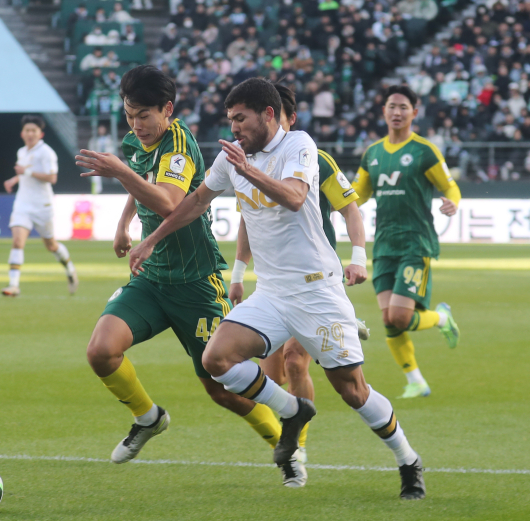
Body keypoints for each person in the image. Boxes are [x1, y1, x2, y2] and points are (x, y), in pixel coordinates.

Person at [128, 78, 426, 500]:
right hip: (271, 292)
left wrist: (246, 169)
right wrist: (150, 240)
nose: (234, 129)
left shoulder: (298, 145)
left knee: (352, 389)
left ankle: (408, 460)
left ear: (268, 114)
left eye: (241, 119)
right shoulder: (232, 158)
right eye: (230, 120)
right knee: (217, 358)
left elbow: (293, 196)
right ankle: (293, 410)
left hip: (316, 291)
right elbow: (195, 202)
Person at [76, 65, 283, 465]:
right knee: (101, 351)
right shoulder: (139, 144)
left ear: (166, 109)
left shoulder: (179, 145)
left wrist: (118, 170)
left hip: (196, 283)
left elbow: (169, 201)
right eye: (129, 115)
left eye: (144, 115)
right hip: (152, 278)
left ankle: (281, 439)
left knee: (221, 389)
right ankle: (148, 418)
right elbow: (142, 181)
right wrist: (123, 224)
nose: (136, 124)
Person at [228, 83, 370, 487]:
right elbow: (246, 222)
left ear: (283, 117)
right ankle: (291, 437)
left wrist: (357, 260)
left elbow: (350, 210)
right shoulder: (254, 161)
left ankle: (299, 451)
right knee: (270, 379)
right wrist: (238, 275)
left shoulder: (314, 158)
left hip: (315, 282)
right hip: (274, 283)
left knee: (294, 361)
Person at [352, 85, 461, 399]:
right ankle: (416, 380)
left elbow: (450, 186)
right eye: (391, 106)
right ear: (383, 111)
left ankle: (442, 317)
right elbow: (360, 193)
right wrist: (337, 199)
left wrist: (452, 202)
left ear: (415, 111)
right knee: (389, 319)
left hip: (416, 243)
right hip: (384, 244)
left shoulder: (425, 150)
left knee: (400, 315)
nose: (396, 112)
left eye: (403, 107)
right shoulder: (372, 153)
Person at [2, 116, 78, 297]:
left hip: (43, 205)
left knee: (51, 245)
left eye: (33, 131)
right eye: (27, 130)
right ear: (22, 133)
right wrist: (14, 179)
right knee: (17, 241)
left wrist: (26, 171)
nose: (29, 134)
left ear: (40, 134)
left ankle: (69, 268)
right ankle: (13, 285)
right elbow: (24, 174)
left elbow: (52, 178)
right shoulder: (21, 152)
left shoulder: (47, 153)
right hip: (23, 203)